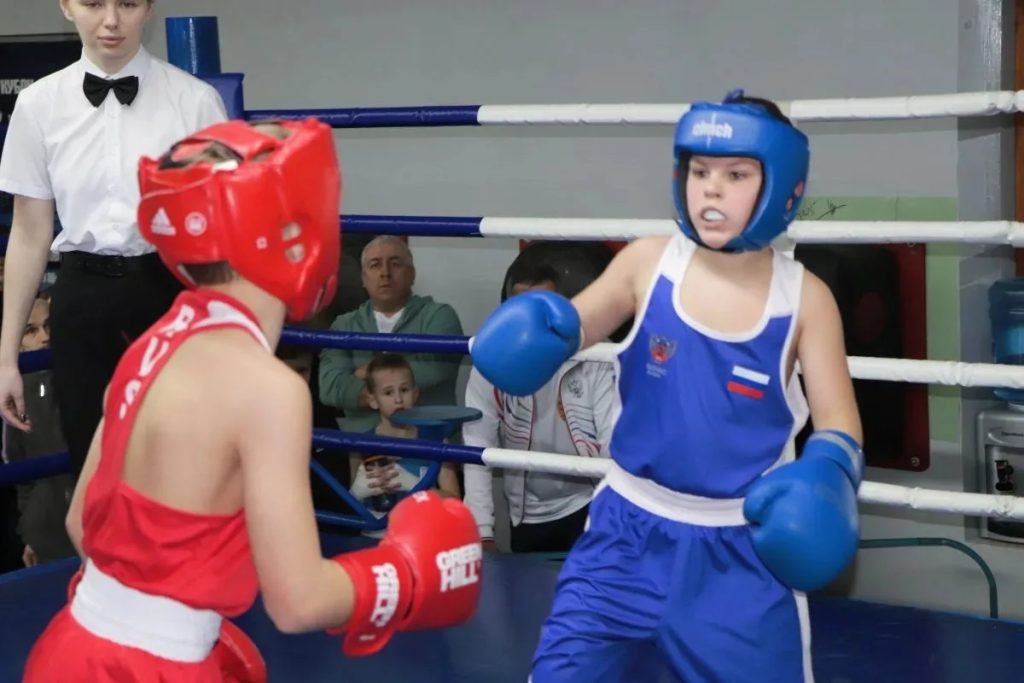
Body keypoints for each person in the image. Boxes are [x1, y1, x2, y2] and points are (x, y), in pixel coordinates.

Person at [23, 118, 482, 681]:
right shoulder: (269, 388)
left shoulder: (153, 343)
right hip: (146, 668)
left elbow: (83, 522)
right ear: (296, 235)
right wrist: (407, 574)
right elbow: (298, 601)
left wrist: (180, 623)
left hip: (74, 645)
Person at [471, 90, 863, 682]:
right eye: (700, 171)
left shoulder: (805, 299)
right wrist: (536, 333)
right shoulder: (649, 263)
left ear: (784, 185)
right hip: (624, 535)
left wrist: (828, 472)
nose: (712, 190)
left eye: (736, 174)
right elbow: (569, 326)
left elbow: (839, 420)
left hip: (739, 552)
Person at [0, 0, 229, 481]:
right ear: (66, 6)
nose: (110, 20)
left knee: (179, 470)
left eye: (126, 3)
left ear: (149, 7)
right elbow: (29, 233)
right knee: (93, 469)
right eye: (93, 3)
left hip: (171, 294)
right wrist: (6, 360)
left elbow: (221, 233)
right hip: (80, 298)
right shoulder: (38, 104)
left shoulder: (196, 101)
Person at [463, 259, 617, 553]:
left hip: (589, 501)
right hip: (527, 513)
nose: (531, 320)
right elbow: (477, 448)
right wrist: (481, 534)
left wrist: (616, 518)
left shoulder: (595, 356)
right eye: (523, 309)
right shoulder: (490, 364)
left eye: (541, 307)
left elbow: (613, 443)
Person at [319, 236, 463, 434]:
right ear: (363, 278)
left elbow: (435, 370)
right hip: (363, 444)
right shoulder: (344, 325)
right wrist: (394, 391)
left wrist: (367, 374)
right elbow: (330, 387)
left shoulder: (439, 316)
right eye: (375, 265)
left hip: (429, 441)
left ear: (412, 274)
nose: (385, 273)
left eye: (395, 264)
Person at [350, 353, 461, 536]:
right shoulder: (361, 444)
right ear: (373, 400)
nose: (398, 399)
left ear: (415, 394)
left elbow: (454, 502)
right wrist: (357, 492)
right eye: (388, 392)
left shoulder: (437, 441)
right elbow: (353, 508)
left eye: (404, 390)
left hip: (423, 537)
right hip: (374, 539)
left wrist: (415, 487)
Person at [4, 291, 76, 567]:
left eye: (48, 325)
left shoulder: (84, 373)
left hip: (97, 521)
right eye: (31, 331)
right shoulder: (12, 398)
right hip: (49, 534)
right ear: (16, 341)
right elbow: (18, 467)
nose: (44, 337)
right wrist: (30, 534)